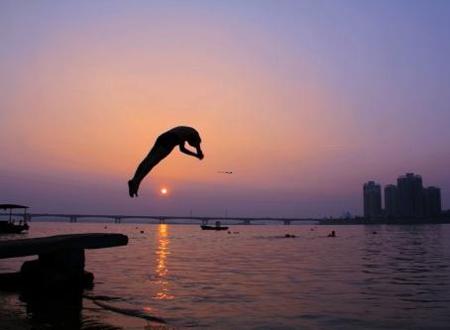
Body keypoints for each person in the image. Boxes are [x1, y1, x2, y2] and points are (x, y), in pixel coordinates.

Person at [128, 126, 204, 197]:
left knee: (147, 160)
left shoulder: (190, 131)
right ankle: (136, 182)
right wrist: (196, 155)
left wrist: (197, 154)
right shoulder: (193, 136)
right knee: (152, 163)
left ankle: (135, 181)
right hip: (170, 140)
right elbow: (182, 149)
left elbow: (198, 150)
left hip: (162, 137)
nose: (187, 142)